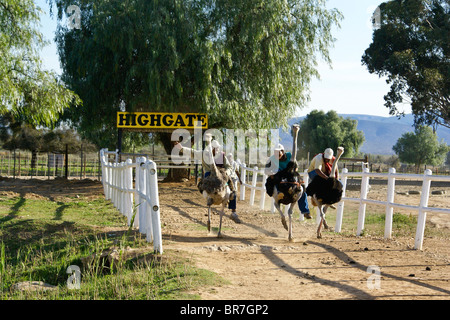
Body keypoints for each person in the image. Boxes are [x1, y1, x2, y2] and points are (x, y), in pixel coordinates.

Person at [174, 137, 241, 223]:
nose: (216, 150)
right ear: (211, 148)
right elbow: (193, 152)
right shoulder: (204, 154)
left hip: (222, 173)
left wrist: (227, 172)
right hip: (209, 172)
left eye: (217, 148)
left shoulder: (221, 155)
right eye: (215, 148)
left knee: (232, 189)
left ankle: (233, 212)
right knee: (202, 182)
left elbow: (229, 166)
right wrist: (182, 148)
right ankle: (206, 195)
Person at [264, 144, 311, 219]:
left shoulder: (290, 156)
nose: (277, 155)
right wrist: (271, 174)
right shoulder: (272, 159)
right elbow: (266, 170)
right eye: (275, 153)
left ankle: (305, 211)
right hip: (279, 175)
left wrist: (293, 172)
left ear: (282, 152)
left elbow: (296, 166)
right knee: (272, 184)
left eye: (278, 153)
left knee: (302, 188)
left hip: (290, 173)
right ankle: (278, 196)